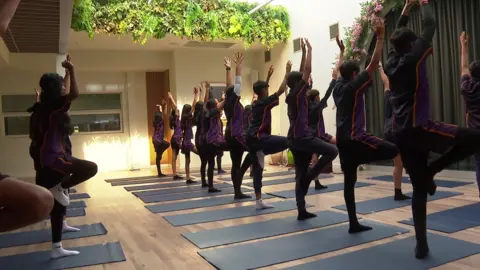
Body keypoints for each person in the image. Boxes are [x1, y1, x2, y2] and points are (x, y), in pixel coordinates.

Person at [386, 0, 480, 259]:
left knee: (419, 188)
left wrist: (405, 9)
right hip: (420, 127)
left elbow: (399, 35)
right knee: (476, 138)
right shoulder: (413, 57)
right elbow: (430, 23)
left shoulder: (391, 61)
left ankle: (421, 244)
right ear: (411, 44)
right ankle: (433, 169)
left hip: (401, 133)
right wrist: (424, 1)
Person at [334, 17, 398, 234]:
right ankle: (362, 158)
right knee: (393, 149)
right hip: (355, 138)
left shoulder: (337, 85)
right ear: (354, 75)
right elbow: (371, 67)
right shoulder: (352, 87)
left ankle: (353, 223)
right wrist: (380, 38)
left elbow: (336, 71)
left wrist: (341, 53)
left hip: (342, 141)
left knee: (349, 181)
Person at [30, 55, 98, 258]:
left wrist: (66, 74)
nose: (64, 89)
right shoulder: (54, 109)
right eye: (60, 86)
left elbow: (65, 93)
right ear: (54, 91)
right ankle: (61, 188)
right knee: (90, 168)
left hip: (49, 159)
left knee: (59, 204)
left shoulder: (44, 108)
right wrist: (73, 70)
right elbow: (73, 94)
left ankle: (57, 245)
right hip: (53, 159)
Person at [286, 38, 339, 220]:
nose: (306, 79)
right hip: (302, 137)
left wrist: (302, 53)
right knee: (332, 150)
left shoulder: (292, 95)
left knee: (299, 174)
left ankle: (301, 210)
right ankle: (311, 175)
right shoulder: (300, 93)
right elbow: (306, 71)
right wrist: (309, 50)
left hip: (293, 138)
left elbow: (302, 73)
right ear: (298, 82)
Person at [246, 61, 291, 210]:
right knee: (288, 141)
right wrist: (287, 72)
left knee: (258, 169)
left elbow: (265, 91)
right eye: (266, 88)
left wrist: (268, 77)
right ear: (263, 91)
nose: (267, 89)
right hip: (259, 139)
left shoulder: (258, 103)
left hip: (252, 140)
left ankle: (259, 201)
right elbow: (280, 90)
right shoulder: (262, 103)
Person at [307, 36, 344, 190]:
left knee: (337, 142)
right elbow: (328, 93)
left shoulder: (309, 103)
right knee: (315, 159)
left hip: (319, 134)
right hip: (316, 135)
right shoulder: (315, 106)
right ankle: (314, 181)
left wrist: (310, 83)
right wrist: (334, 79)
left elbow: (309, 92)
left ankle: (315, 180)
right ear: (317, 97)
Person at [223, 52, 253, 199]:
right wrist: (238, 67)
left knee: (235, 162)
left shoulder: (228, 102)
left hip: (230, 133)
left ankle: (237, 191)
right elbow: (237, 84)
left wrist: (228, 69)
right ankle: (240, 177)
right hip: (236, 134)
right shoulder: (233, 101)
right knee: (255, 151)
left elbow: (228, 86)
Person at [378, 62, 410, 201]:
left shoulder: (388, 95)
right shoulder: (402, 97)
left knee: (398, 163)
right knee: (403, 162)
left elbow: (385, 82)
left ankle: (398, 192)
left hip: (388, 131)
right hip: (398, 131)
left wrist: (380, 68)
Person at [459, 31, 480, 197]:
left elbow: (464, 67)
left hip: (474, 133)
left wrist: (463, 46)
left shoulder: (466, 88)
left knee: (479, 165)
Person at [203, 83, 226, 192]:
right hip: (212, 141)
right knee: (210, 163)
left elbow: (205, 103)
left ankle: (210, 185)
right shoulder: (211, 114)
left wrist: (207, 90)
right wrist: (228, 97)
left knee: (210, 164)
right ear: (213, 107)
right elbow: (221, 105)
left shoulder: (208, 113)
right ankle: (210, 185)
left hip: (209, 141)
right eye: (216, 104)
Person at [181, 87, 200, 183]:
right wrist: (196, 95)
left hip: (185, 141)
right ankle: (189, 177)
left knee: (187, 160)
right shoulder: (187, 117)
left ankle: (188, 177)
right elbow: (193, 106)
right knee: (201, 153)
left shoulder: (184, 119)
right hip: (187, 142)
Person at [168, 92, 184, 180]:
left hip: (174, 139)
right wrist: (171, 97)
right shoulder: (177, 119)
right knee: (188, 149)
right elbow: (175, 107)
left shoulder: (174, 119)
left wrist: (170, 100)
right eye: (178, 112)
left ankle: (174, 174)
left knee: (174, 157)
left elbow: (173, 108)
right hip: (177, 139)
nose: (179, 112)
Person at [194, 85, 208, 187]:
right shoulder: (204, 114)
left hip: (197, 138)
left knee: (203, 161)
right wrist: (206, 90)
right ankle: (205, 181)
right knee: (206, 161)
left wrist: (199, 94)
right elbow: (205, 102)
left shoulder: (196, 115)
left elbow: (199, 105)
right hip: (203, 138)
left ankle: (203, 181)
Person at [152, 99, 170, 177]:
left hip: (155, 139)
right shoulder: (161, 121)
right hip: (158, 140)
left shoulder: (155, 122)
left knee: (157, 156)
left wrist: (160, 108)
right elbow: (165, 113)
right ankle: (161, 153)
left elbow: (162, 114)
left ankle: (159, 172)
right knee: (167, 144)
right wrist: (164, 105)